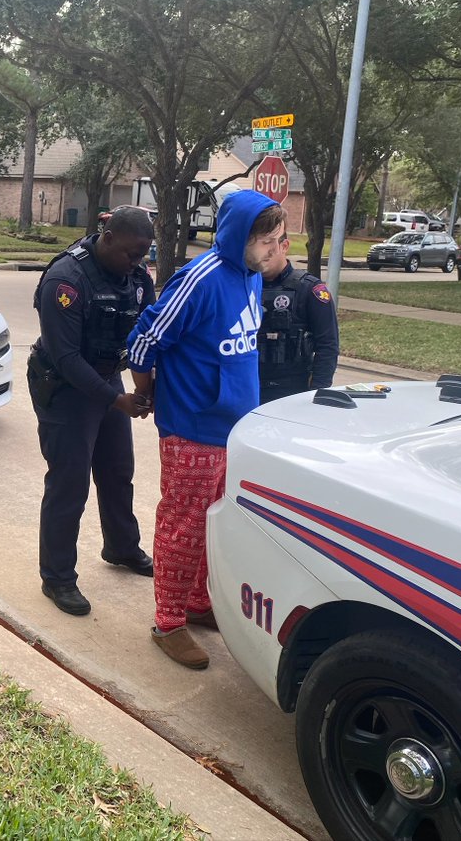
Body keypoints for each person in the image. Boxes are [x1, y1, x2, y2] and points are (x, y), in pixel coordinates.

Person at [127, 189, 284, 669]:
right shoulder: (200, 280)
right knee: (183, 526)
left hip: (233, 428)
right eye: (269, 243)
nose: (277, 251)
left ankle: (196, 603)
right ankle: (168, 623)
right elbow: (142, 342)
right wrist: (151, 392)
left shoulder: (250, 278)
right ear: (243, 238)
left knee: (212, 522)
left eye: (280, 241)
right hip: (192, 427)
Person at [29, 206, 157, 617]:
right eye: (131, 254)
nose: (137, 264)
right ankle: (58, 578)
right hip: (64, 387)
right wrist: (116, 399)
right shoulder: (66, 280)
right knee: (69, 483)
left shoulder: (137, 280)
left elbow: (146, 338)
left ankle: (121, 548)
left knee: (118, 470)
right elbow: (65, 357)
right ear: (108, 238)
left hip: (106, 381)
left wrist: (146, 388)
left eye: (144, 255)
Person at [257, 233, 339, 403]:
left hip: (292, 391)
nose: (261, 253)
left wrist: (317, 394)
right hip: (249, 388)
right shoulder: (243, 286)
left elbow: (328, 346)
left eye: (268, 245)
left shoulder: (310, 289)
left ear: (284, 246)